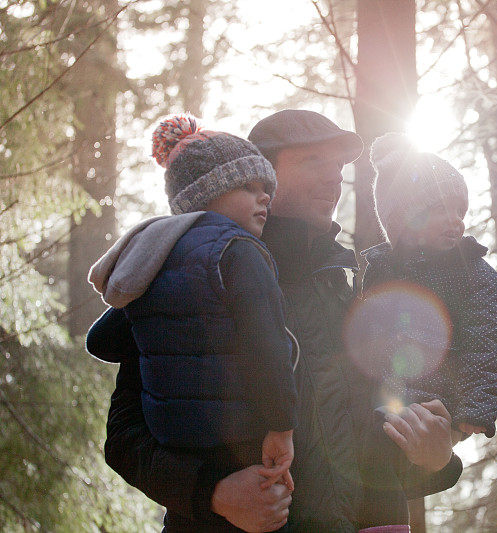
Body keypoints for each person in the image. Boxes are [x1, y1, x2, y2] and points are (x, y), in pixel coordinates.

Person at [87, 110, 461, 533]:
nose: (335, 177)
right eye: (312, 161)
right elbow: (123, 437)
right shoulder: (188, 278)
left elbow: (365, 450)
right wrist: (214, 493)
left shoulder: (349, 291)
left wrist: (435, 458)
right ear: (257, 175)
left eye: (339, 165)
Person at [87, 114, 298, 530]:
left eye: (266, 190)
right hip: (243, 449)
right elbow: (268, 345)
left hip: (180, 459)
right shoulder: (240, 250)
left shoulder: (153, 261)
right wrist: (281, 427)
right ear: (209, 191)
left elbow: (103, 341)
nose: (265, 199)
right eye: (248, 187)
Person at [350, 134, 497, 527]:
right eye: (440, 209)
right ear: (405, 218)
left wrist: (476, 408)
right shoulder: (381, 269)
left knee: (388, 474)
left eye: (460, 209)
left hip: (436, 404)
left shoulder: (474, 275)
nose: (455, 219)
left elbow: (485, 344)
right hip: (377, 403)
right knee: (370, 476)